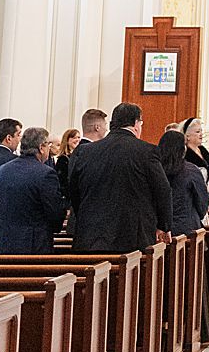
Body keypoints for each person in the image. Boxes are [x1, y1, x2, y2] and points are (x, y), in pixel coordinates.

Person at [69, 103, 171, 253]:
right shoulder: (146, 151)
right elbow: (163, 190)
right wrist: (163, 226)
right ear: (136, 124)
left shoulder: (85, 151)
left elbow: (75, 191)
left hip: (90, 237)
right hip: (132, 239)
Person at [0, 127, 66, 255]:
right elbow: (55, 213)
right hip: (34, 245)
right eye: (48, 145)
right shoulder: (46, 173)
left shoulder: (3, 170)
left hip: (4, 243)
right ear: (41, 147)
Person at [161, 128, 209, 236]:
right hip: (188, 229)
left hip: (159, 230)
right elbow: (202, 202)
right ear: (183, 149)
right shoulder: (191, 170)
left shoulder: (155, 169)